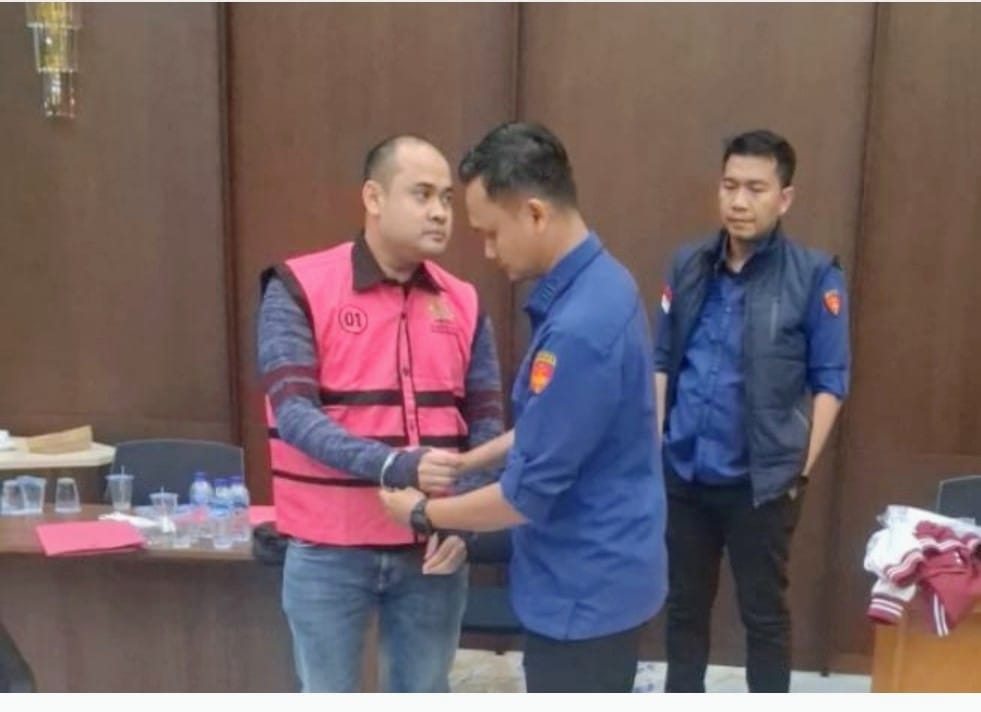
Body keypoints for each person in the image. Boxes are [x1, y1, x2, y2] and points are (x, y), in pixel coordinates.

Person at [379, 122, 667, 693]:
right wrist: (468, 462)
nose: (488, 252)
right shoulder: (603, 283)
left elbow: (523, 496)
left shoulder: (581, 328)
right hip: (601, 571)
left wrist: (423, 513)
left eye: (491, 233)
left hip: (584, 589)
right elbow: (556, 423)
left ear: (535, 213)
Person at [256, 134, 504, 692]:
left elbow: (487, 423)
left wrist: (462, 520)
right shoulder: (297, 287)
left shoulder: (464, 301)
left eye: (446, 198)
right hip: (328, 549)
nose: (440, 212)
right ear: (373, 197)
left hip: (432, 546)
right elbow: (295, 415)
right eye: (422, 194)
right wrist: (393, 465)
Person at [652, 129, 851, 692]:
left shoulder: (815, 275)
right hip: (686, 473)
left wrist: (799, 471)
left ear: (784, 198)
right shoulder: (689, 263)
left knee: (763, 619)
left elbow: (831, 382)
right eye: (729, 185)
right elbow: (662, 359)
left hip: (761, 484)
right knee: (684, 610)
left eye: (755, 189)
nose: (739, 201)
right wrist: (659, 444)